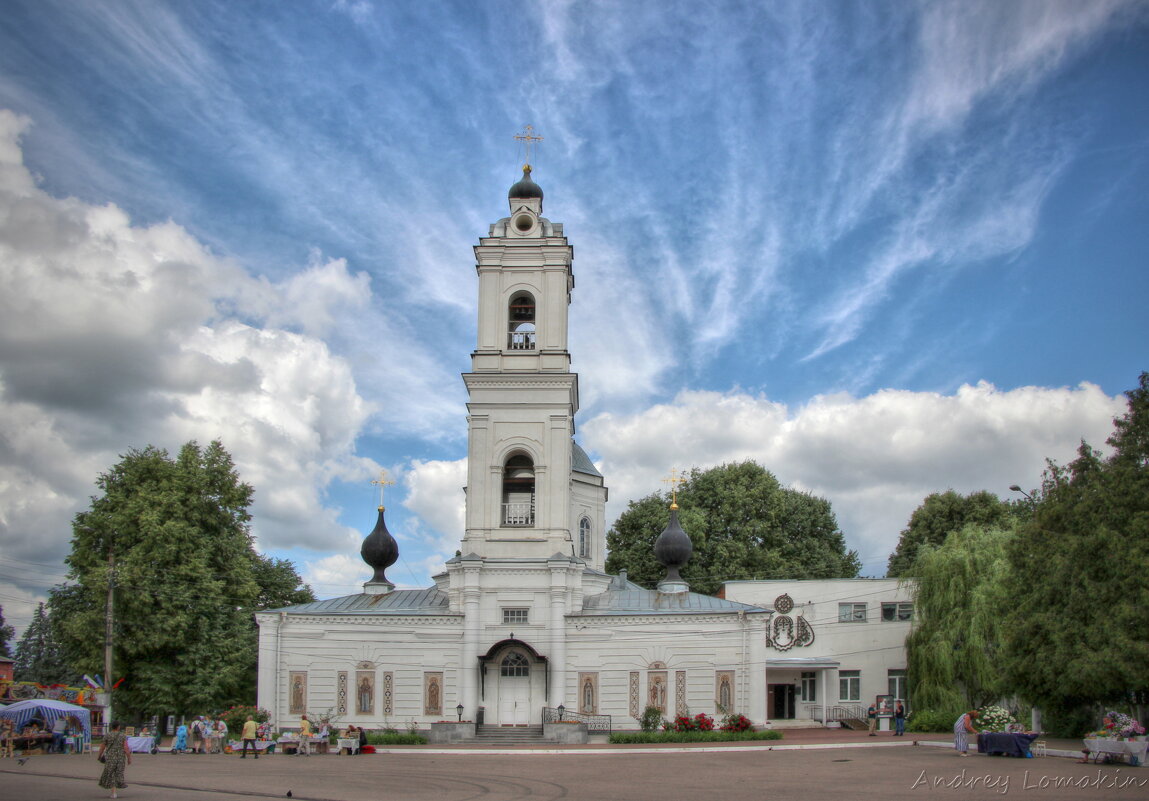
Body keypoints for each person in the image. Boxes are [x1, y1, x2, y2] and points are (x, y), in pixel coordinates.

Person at [98, 720, 131, 799]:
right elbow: (126, 748)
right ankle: (116, 789)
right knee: (118, 773)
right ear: (118, 727)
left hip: (110, 757)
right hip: (120, 757)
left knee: (111, 773)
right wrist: (129, 758)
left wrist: (99, 756)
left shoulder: (107, 735)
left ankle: (114, 792)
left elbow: (102, 746)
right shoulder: (123, 736)